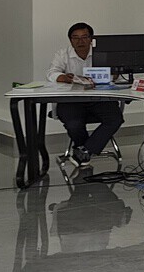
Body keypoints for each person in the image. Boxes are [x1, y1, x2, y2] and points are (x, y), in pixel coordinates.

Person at [46, 22, 124, 165]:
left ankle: (84, 151)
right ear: (70, 40)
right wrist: (63, 77)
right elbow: (51, 73)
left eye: (84, 37)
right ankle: (85, 150)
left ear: (91, 39)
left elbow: (117, 74)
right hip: (71, 100)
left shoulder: (102, 53)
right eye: (75, 38)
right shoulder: (62, 54)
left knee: (115, 118)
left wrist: (114, 74)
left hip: (99, 99)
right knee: (74, 124)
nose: (80, 41)